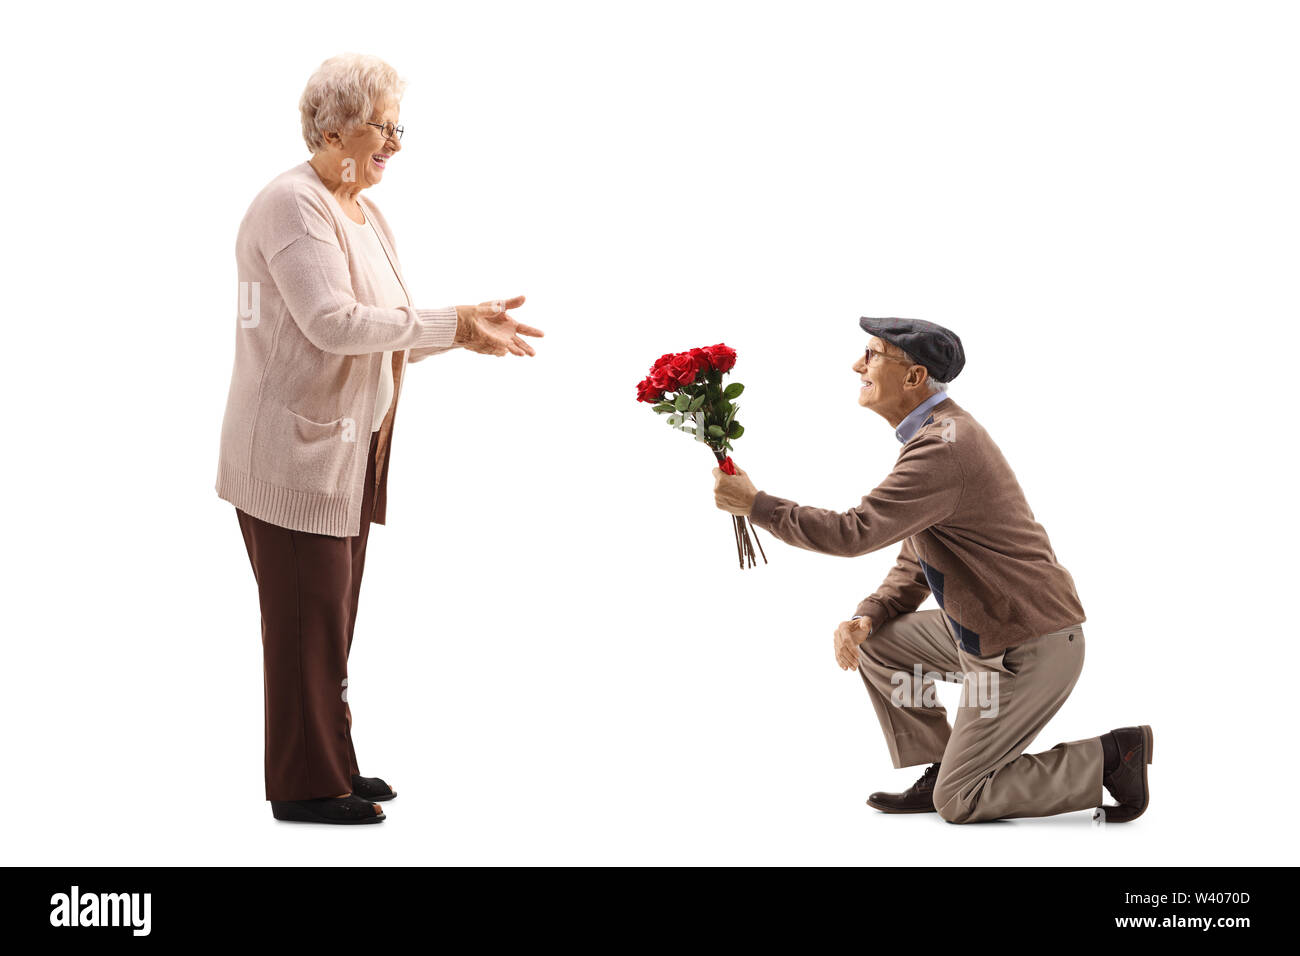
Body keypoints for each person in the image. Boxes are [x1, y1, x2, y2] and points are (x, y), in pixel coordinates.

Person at [215, 53, 543, 825]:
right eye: (383, 126)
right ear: (333, 129)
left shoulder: (359, 205)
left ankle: (332, 760)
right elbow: (332, 325)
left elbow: (379, 331)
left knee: (328, 621)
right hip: (293, 454)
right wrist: (452, 321)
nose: (396, 142)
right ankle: (305, 786)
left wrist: (465, 334)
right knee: (306, 622)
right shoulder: (294, 207)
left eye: (401, 127)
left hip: (349, 450)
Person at [712, 317, 1152, 824]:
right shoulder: (934, 434)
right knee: (875, 645)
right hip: (986, 634)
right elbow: (920, 554)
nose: (858, 364)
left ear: (915, 376)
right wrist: (871, 615)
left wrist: (756, 506)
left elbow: (853, 532)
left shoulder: (944, 446)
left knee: (962, 801)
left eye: (872, 354)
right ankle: (942, 761)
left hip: (1027, 648)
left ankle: (1109, 759)